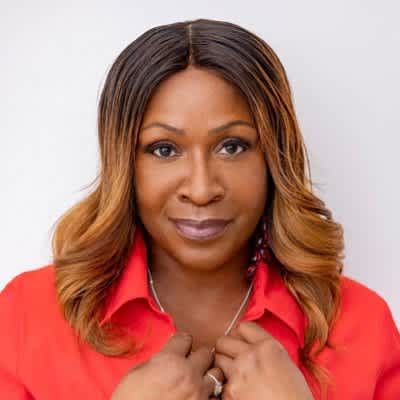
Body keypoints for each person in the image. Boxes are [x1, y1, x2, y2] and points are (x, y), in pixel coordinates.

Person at [0, 18, 399, 400]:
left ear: (274, 158)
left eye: (232, 146)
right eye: (164, 149)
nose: (202, 189)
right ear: (124, 164)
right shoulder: (28, 317)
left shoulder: (362, 325)